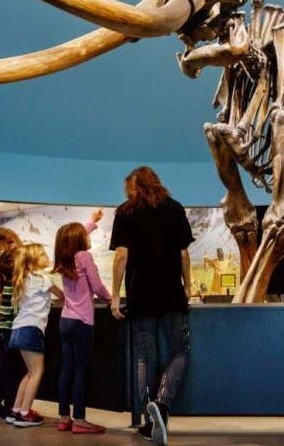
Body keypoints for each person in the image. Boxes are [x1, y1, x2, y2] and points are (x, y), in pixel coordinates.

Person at [110, 166, 193, 445]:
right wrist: (188, 285)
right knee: (180, 351)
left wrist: (115, 296)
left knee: (145, 357)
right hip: (171, 293)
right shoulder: (175, 208)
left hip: (140, 294)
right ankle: (163, 404)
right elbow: (183, 254)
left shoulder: (125, 211)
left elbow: (121, 256)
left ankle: (149, 420)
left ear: (133, 187)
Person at [52, 210, 111, 434]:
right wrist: (112, 300)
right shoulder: (84, 257)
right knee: (81, 371)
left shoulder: (63, 257)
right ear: (79, 241)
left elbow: (73, 236)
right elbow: (97, 287)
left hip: (66, 320)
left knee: (66, 369)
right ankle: (80, 420)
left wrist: (92, 222)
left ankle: (64, 418)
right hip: (82, 321)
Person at [8, 243, 64, 428]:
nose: (45, 256)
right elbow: (61, 295)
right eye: (42, 254)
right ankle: (25, 413)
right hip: (32, 329)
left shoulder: (24, 279)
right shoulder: (42, 278)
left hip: (18, 329)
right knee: (38, 371)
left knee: (30, 372)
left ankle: (16, 410)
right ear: (33, 260)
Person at [0, 228, 25, 418]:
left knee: (0, 367)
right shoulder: (15, 285)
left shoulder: (4, 282)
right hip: (11, 331)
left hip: (2, 330)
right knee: (12, 370)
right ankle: (10, 406)